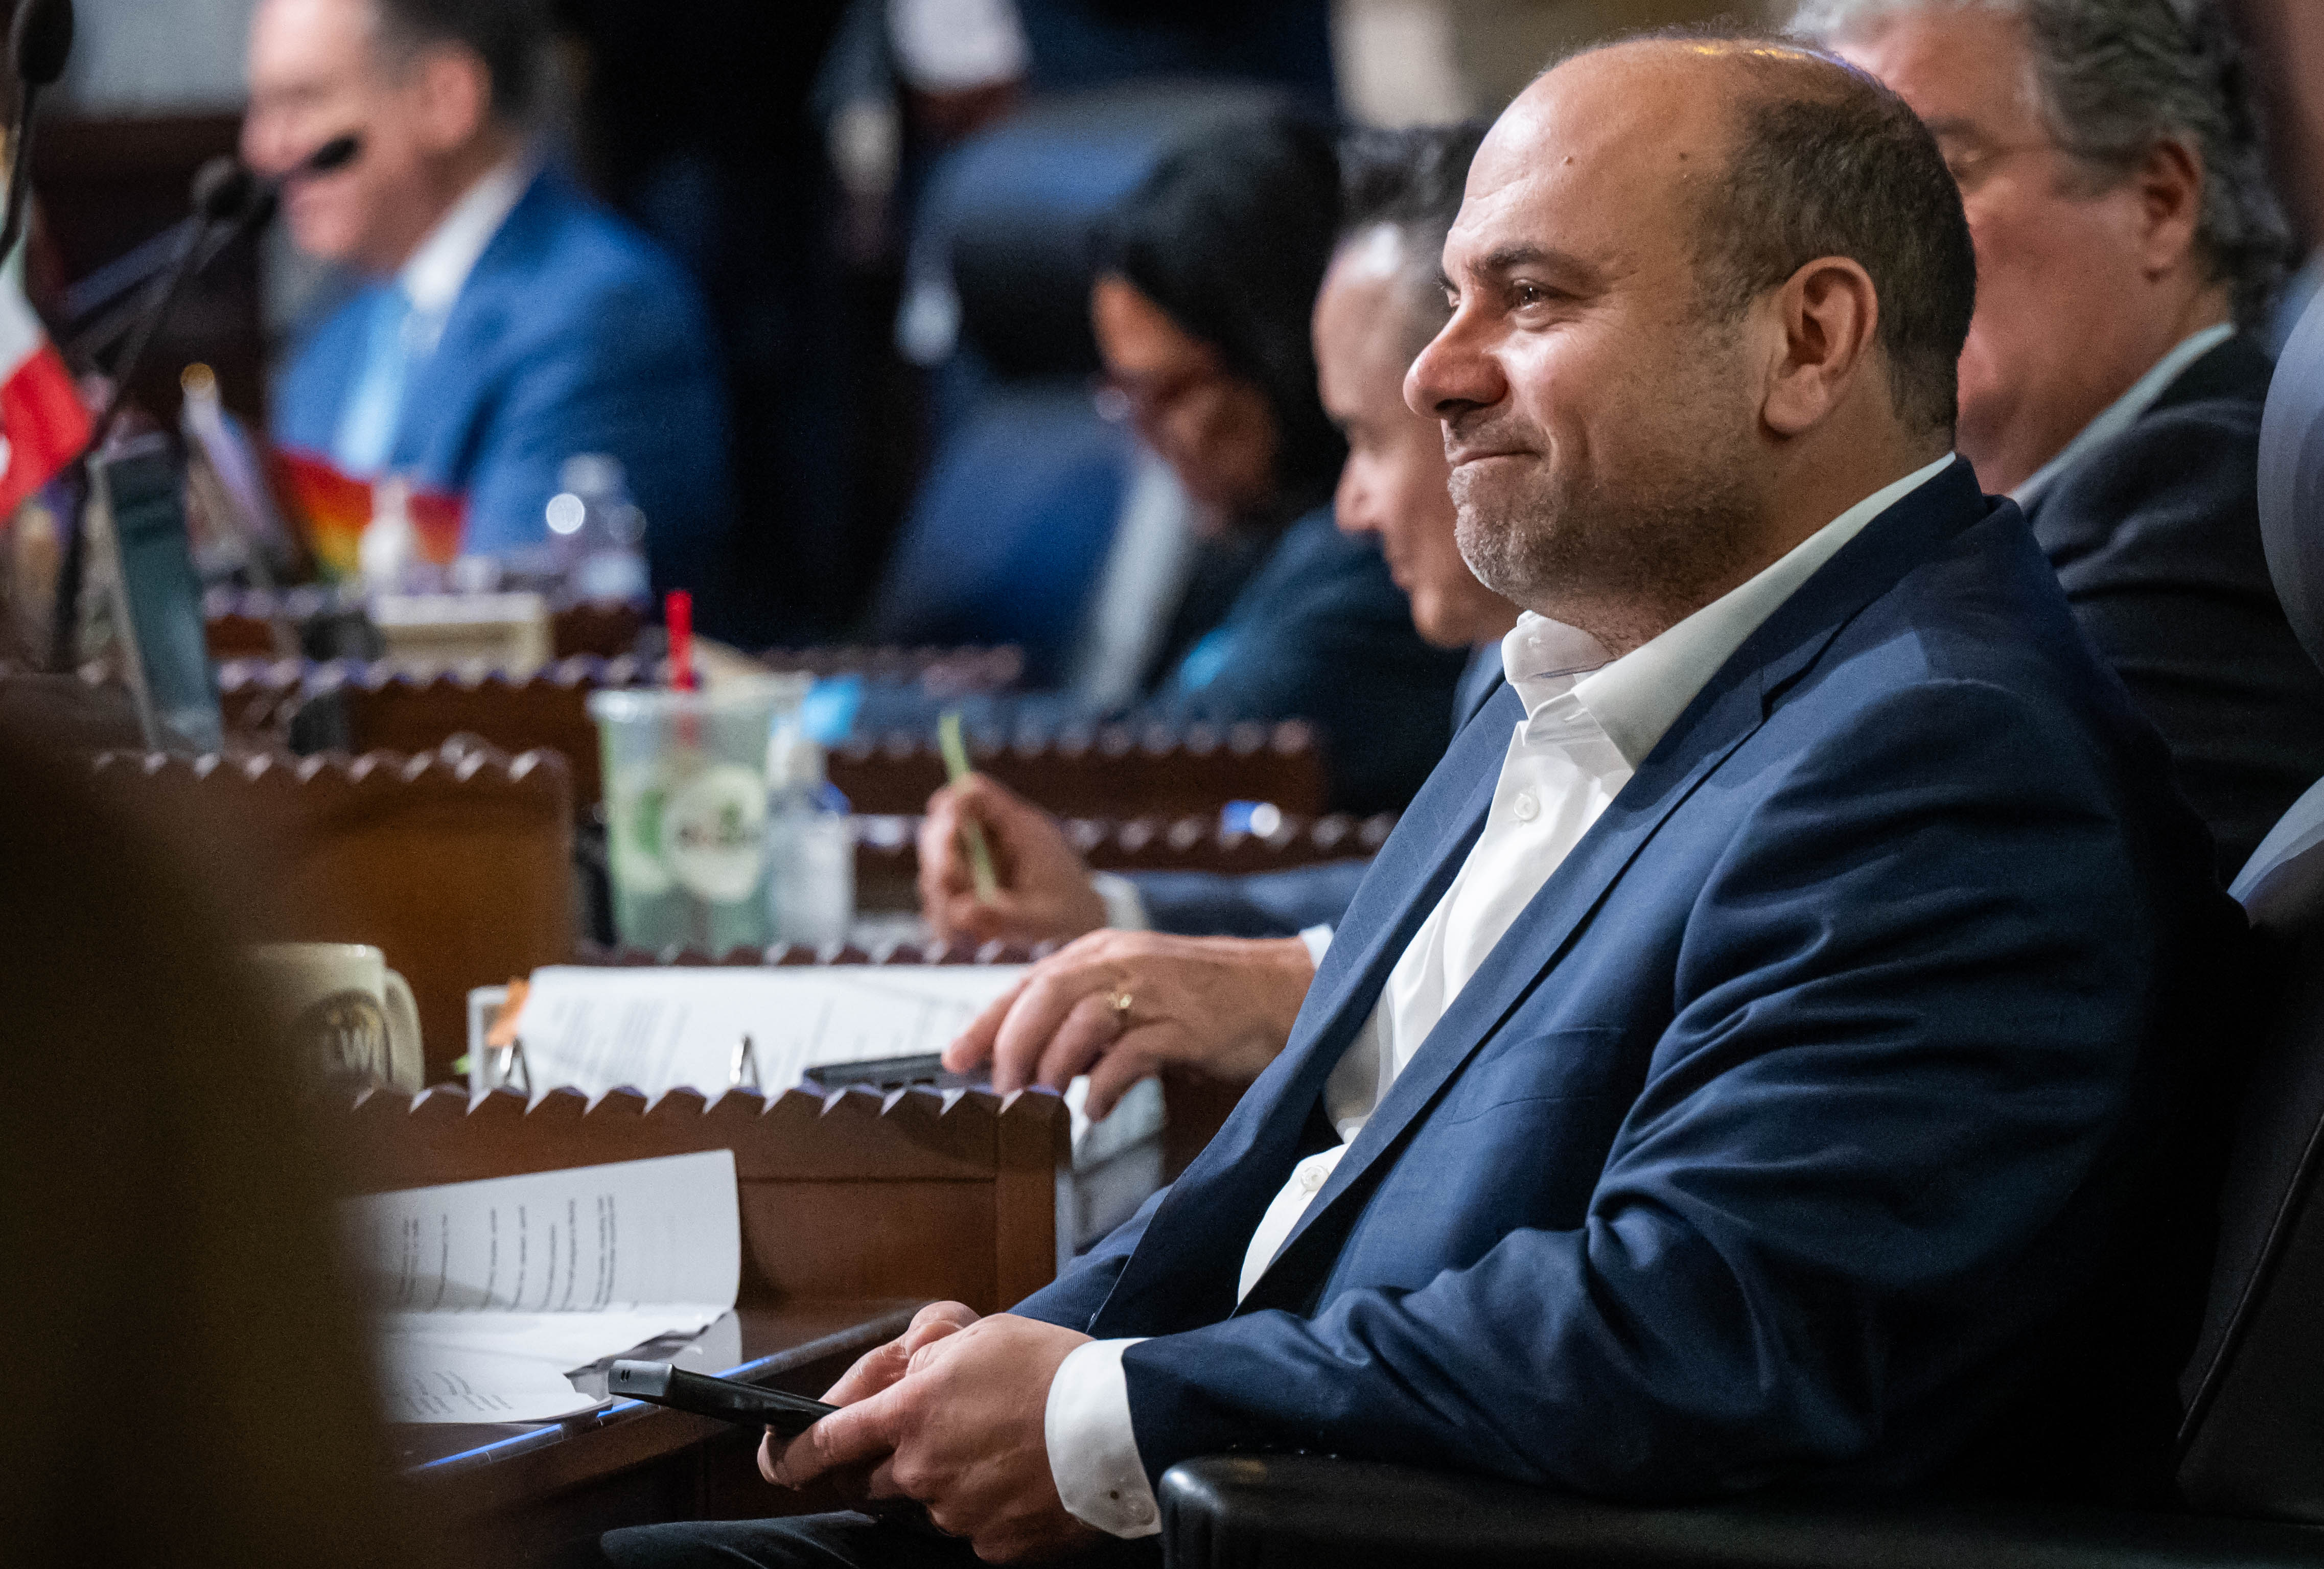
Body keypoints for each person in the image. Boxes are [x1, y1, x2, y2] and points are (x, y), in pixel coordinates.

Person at [589, 34, 2248, 1568]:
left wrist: (1106, 1413)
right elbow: (1296, 1168)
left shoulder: (1941, 761)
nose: (1433, 377)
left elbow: (1702, 1331)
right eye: (1450, 298)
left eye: (1525, 300)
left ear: (1804, 341)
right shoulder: (1585, 663)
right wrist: (1004, 1357)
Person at [919, 121, 1512, 1118]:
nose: (1358, 504)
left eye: (1369, 436)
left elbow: (1179, 745)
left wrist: (826, 719)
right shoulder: (1493, 637)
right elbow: (1428, 889)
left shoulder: (1403, 585)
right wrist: (1117, 913)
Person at [1794, 0, 2324, 882]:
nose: (1856, 261)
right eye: (1833, 206)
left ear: (2158, 200)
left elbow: (1936, 888)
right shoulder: (1992, 533)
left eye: (1938, 177)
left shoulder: (2217, 504)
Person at [248, 0, 731, 593]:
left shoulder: (598, 316)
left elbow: (510, 636)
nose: (263, 147)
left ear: (444, 99)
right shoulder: (334, 340)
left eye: (302, 101)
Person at [1081, 111, 1472, 813]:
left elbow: (1170, 764)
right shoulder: (1249, 538)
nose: (1145, 434)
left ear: (1277, 356)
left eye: (1168, 391)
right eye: (1125, 395)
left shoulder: (1381, 563)